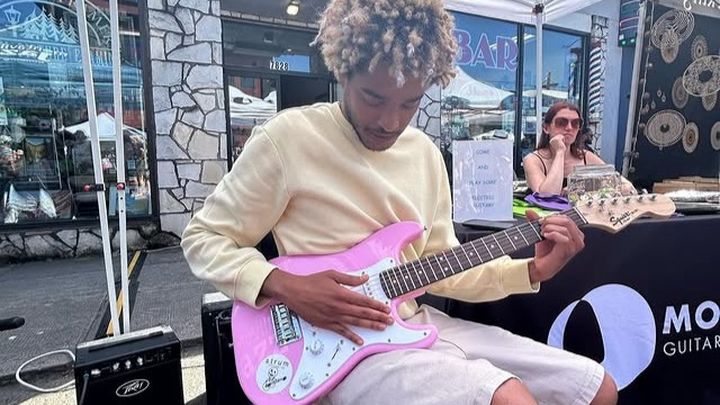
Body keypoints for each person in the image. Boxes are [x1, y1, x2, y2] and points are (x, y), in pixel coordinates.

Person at [181, 1, 618, 404]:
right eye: (373, 98)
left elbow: (443, 264)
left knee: (598, 388)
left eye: (410, 103)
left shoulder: (425, 154)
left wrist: (532, 270)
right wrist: (284, 286)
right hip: (337, 349)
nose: (390, 122)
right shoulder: (287, 138)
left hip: (413, 324)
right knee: (509, 399)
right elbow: (203, 238)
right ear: (343, 73)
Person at [523, 101, 635, 196]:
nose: (569, 128)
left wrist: (578, 189)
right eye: (561, 122)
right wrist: (560, 151)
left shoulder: (586, 157)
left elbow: (626, 186)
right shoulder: (533, 160)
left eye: (575, 123)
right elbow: (547, 196)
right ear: (546, 128)